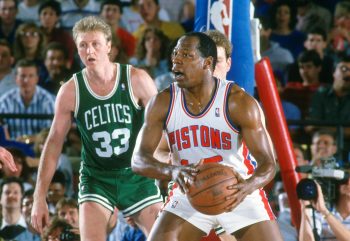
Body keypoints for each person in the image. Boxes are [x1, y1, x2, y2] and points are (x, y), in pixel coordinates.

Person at [131, 32, 283, 241]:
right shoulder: (162, 102)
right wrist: (172, 171)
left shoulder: (239, 102)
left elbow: (268, 163)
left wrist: (248, 186)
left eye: (186, 55)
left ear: (207, 63)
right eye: (175, 54)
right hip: (189, 189)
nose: (177, 60)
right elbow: (138, 160)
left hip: (237, 188)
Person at [31, 16, 162, 241]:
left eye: (95, 44)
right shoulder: (71, 91)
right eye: (83, 45)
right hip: (97, 178)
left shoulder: (137, 79)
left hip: (137, 175)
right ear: (77, 50)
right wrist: (38, 196)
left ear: (109, 46)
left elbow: (164, 128)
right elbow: (53, 143)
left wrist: (165, 174)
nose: (89, 50)